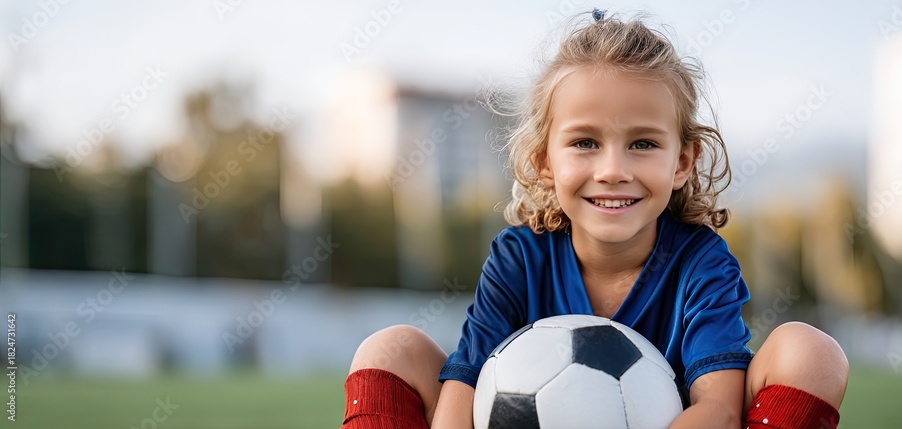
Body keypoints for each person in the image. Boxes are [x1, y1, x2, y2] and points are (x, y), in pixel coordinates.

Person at [342, 10, 848, 429]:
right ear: (544, 160)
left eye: (643, 144)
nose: (612, 170)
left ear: (682, 162)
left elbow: (717, 409)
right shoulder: (519, 256)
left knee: (810, 351)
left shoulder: (701, 263)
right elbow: (465, 384)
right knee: (392, 348)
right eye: (585, 143)